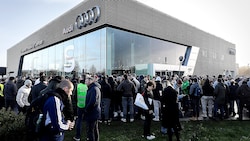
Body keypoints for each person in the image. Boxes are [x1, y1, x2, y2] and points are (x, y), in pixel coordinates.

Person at [85, 75, 101, 141]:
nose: (85, 82)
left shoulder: (94, 89)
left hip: (92, 112)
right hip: (94, 112)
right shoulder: (93, 88)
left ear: (90, 81)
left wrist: (86, 109)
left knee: (91, 130)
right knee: (94, 128)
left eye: (86, 81)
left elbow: (93, 101)